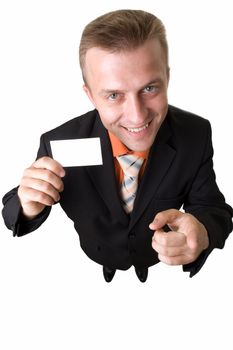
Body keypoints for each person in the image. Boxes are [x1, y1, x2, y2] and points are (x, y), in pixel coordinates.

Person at [2, 9, 233, 283]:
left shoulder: (195, 134)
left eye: (149, 89)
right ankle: (109, 268)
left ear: (167, 79)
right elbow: (16, 205)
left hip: (153, 256)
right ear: (90, 95)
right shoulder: (59, 143)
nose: (137, 116)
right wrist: (29, 205)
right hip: (98, 252)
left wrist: (203, 232)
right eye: (113, 95)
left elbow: (212, 207)